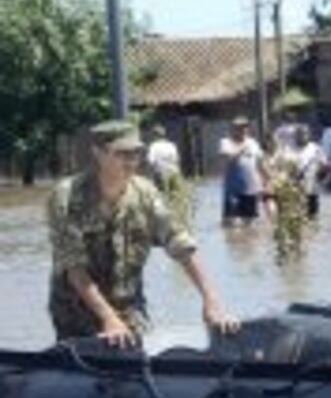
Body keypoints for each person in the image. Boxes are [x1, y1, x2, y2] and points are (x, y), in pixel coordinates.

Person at [47, 120, 239, 347]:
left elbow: (180, 243)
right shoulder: (67, 197)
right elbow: (74, 268)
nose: (131, 161)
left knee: (137, 370)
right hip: (76, 311)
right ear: (98, 153)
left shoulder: (145, 194)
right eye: (122, 154)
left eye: (136, 153)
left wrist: (211, 300)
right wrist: (109, 319)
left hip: (129, 307)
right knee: (84, 375)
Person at [219, 116, 264, 226]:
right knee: (231, 224)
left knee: (250, 224)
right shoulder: (225, 142)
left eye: (245, 127)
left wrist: (265, 181)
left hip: (251, 189)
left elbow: (260, 164)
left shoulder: (254, 143)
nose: (242, 130)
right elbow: (227, 161)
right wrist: (241, 149)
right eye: (238, 127)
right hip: (233, 190)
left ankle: (247, 243)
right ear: (232, 129)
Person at [145, 124, 181, 190]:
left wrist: (149, 177)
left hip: (161, 175)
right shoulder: (171, 145)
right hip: (174, 173)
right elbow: (176, 160)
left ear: (154, 135)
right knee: (175, 195)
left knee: (162, 196)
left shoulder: (153, 146)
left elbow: (150, 162)